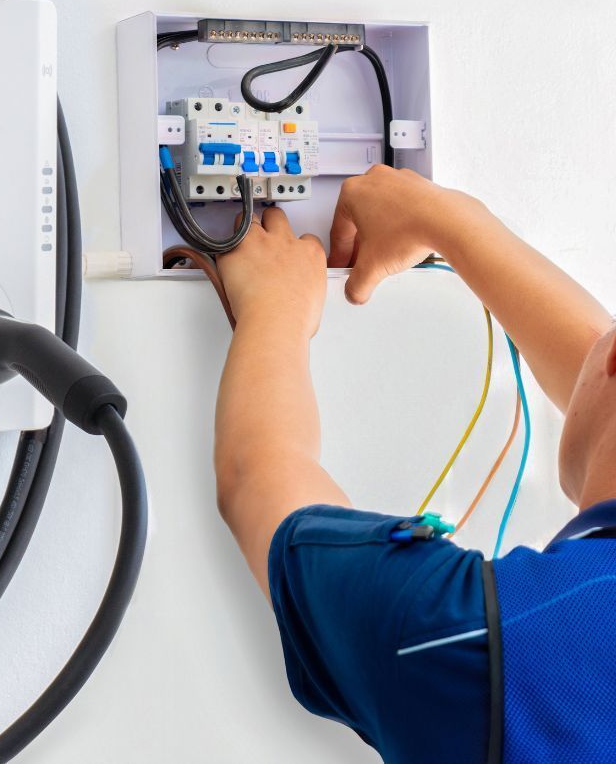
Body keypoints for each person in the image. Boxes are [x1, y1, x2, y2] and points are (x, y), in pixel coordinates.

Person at [212, 165, 616, 764]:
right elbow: (593, 368)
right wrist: (447, 221)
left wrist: (274, 307)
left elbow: (259, 476)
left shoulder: (468, 636)